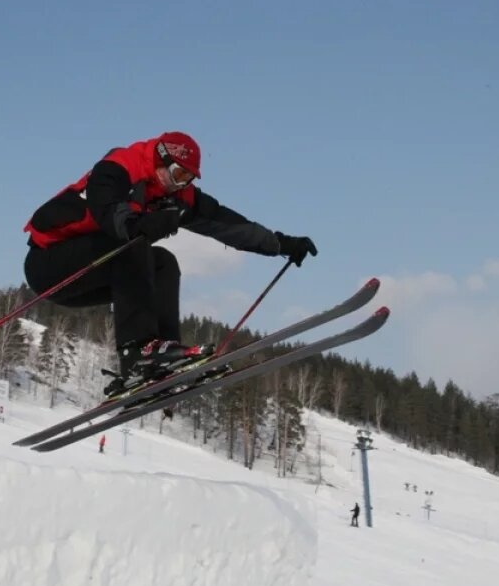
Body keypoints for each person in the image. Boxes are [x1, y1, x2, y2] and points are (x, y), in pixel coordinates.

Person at [24, 131, 316, 398]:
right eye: (177, 173)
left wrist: (280, 244)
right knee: (133, 246)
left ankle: (165, 358)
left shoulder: (176, 195)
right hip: (50, 266)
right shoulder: (121, 166)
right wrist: (137, 224)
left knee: (163, 262)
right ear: (160, 159)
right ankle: (138, 354)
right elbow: (107, 206)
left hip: (95, 272)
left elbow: (227, 224)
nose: (180, 183)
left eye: (188, 178)